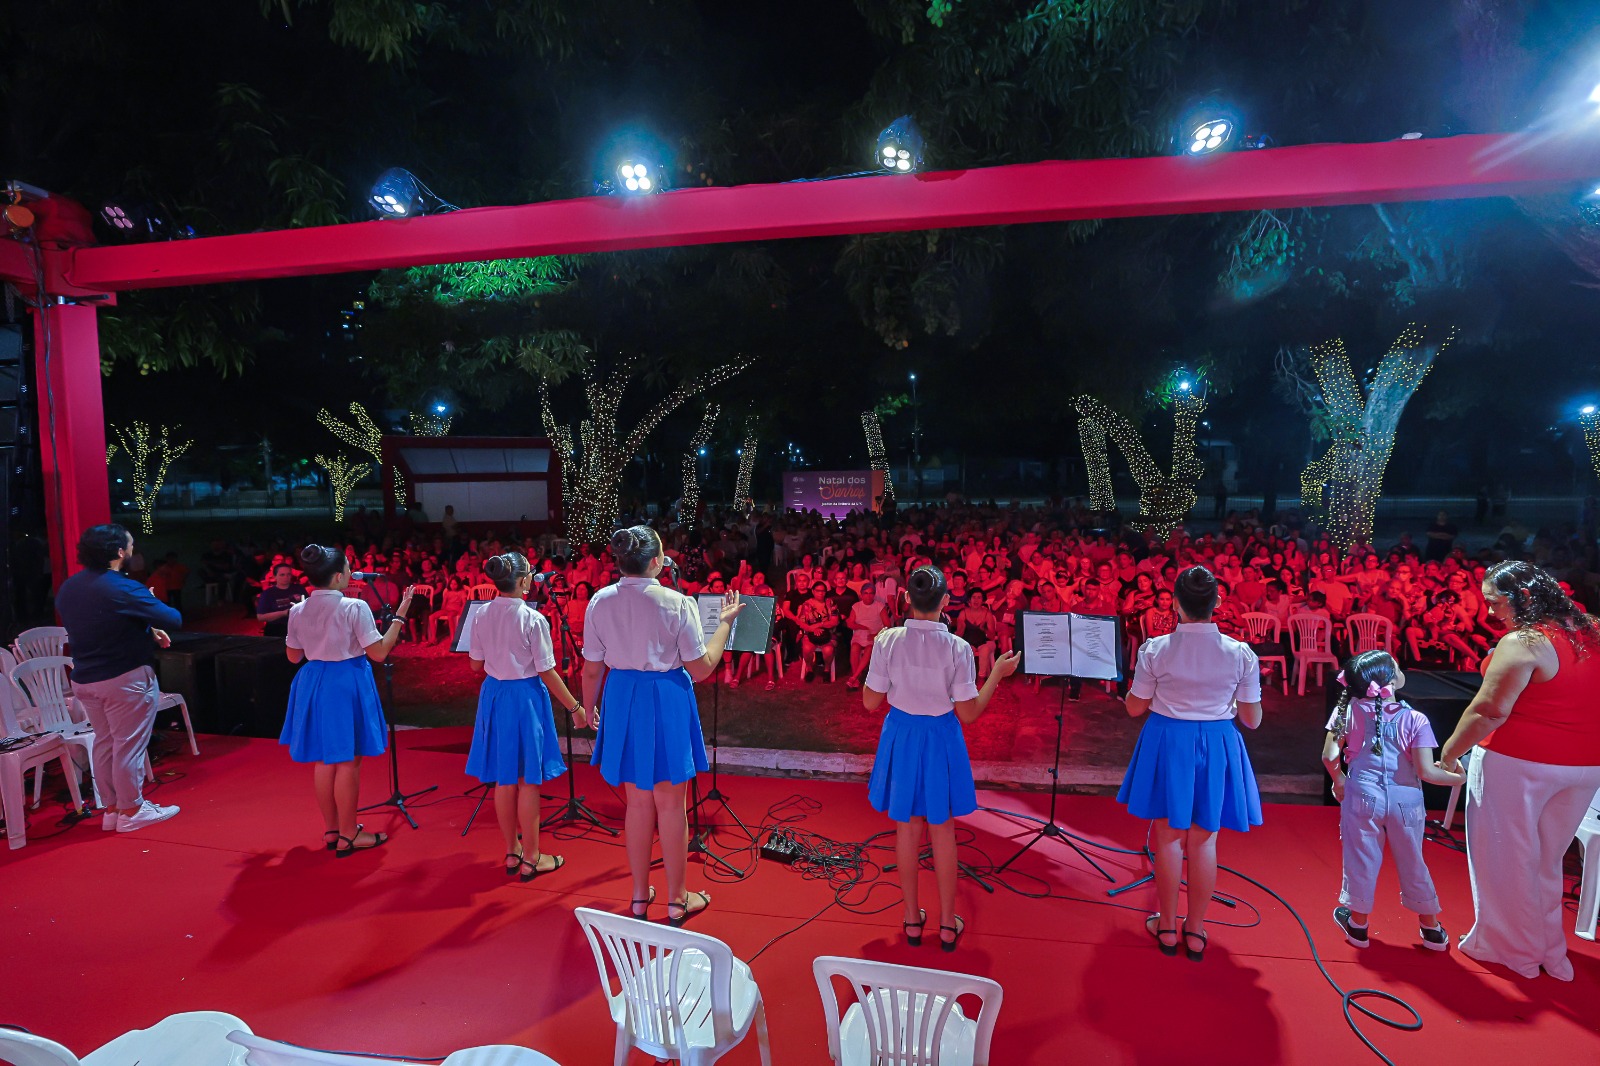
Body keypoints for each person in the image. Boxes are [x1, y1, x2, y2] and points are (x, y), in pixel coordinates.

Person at [1438, 561, 1600, 980]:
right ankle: (1550, 951)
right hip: (1584, 766)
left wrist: (1451, 751)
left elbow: (1489, 711)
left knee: (1506, 858)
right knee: (1546, 860)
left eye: (1494, 602)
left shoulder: (1524, 641)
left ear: (1524, 597)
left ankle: (1514, 953)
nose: (1490, 612)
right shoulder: (1594, 629)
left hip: (1521, 763)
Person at [582, 526, 743, 926]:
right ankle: (677, 900)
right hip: (665, 696)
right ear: (657, 561)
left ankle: (639, 898)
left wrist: (588, 709)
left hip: (621, 695)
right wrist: (724, 623)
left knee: (637, 803)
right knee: (672, 806)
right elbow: (702, 668)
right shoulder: (677, 602)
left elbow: (590, 668)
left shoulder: (599, 601)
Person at [863, 566, 1021, 951]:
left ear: (906, 601)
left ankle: (912, 919)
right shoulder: (958, 647)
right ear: (946, 602)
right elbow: (968, 713)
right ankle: (948, 924)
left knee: (907, 827)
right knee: (943, 828)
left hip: (902, 734)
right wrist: (997, 674)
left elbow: (870, 702)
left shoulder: (887, 640)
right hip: (940, 736)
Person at [1120, 565, 1263, 962]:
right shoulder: (1240, 653)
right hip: (1217, 741)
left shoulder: (1155, 649)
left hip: (1169, 739)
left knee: (1167, 834)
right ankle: (1196, 930)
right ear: (1217, 602)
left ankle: (1167, 925)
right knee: (1204, 837)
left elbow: (1134, 708)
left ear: (1175, 604)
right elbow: (1252, 720)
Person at [1321, 650, 1463, 950]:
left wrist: (1339, 782)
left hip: (1362, 793)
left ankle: (1358, 925)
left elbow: (1329, 755)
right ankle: (1432, 928)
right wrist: (1458, 779)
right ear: (1388, 681)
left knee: (1360, 859)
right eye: (1396, 667)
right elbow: (1426, 771)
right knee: (1414, 861)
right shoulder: (1415, 718)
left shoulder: (1346, 710)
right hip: (1406, 799)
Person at [280, 544, 414, 857]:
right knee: (348, 760)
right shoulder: (354, 607)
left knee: (325, 759)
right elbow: (379, 652)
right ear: (339, 576)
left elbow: (292, 656)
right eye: (350, 569)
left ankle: (333, 829)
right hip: (345, 681)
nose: (352, 573)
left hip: (313, 682)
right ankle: (350, 833)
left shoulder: (298, 609)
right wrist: (400, 616)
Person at [54, 524, 183, 832]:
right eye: (130, 545)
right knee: (128, 746)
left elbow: (101, 624)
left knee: (105, 743)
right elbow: (173, 618)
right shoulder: (122, 587)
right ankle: (132, 811)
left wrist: (145, 628)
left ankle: (112, 809)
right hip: (123, 678)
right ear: (120, 552)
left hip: (84, 679)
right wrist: (146, 602)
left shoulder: (69, 587)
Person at [467, 552, 585, 880]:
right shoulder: (533, 619)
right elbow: (547, 671)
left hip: (494, 694)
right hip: (524, 697)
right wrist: (575, 708)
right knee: (528, 781)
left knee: (505, 779)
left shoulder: (481, 615)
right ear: (522, 582)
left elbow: (475, 664)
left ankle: (511, 851)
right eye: (530, 574)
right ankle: (533, 856)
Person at [256, 563, 305, 638]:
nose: (286, 577)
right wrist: (284, 613)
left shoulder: (299, 588)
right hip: (277, 628)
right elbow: (261, 617)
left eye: (288, 574)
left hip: (298, 626)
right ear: (275, 577)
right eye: (282, 575)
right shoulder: (268, 593)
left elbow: (307, 605)